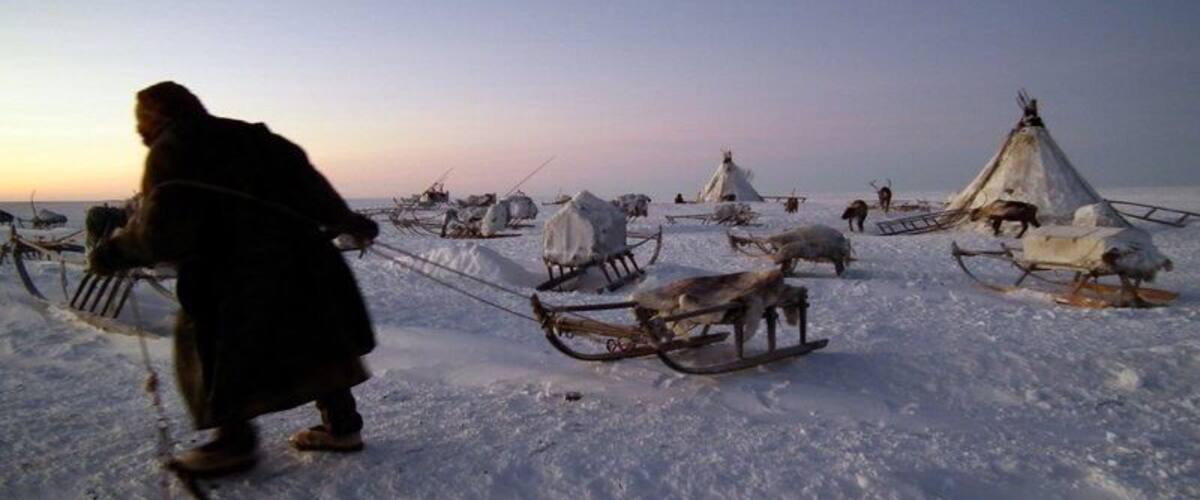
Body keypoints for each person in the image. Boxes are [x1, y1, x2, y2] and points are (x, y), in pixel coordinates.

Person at [89, 81, 379, 477]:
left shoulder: (173, 149)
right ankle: (342, 426)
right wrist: (351, 222)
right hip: (306, 262)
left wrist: (111, 253)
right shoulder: (258, 139)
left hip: (233, 276)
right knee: (315, 338)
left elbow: (163, 233)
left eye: (141, 121)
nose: (139, 132)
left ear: (157, 115)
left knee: (212, 350)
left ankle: (233, 443)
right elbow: (317, 193)